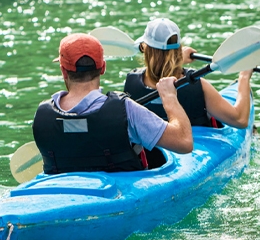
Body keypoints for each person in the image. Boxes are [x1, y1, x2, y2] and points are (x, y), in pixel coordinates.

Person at [32, 33, 192, 174]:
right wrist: (170, 98)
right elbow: (184, 143)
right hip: (123, 199)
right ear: (103, 68)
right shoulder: (126, 110)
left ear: (63, 70)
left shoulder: (43, 115)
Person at [123, 18, 253, 129]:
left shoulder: (131, 83)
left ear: (145, 49)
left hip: (153, 154)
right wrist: (244, 76)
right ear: (179, 48)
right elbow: (240, 120)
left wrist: (178, 59)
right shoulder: (197, 85)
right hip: (194, 149)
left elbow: (161, 75)